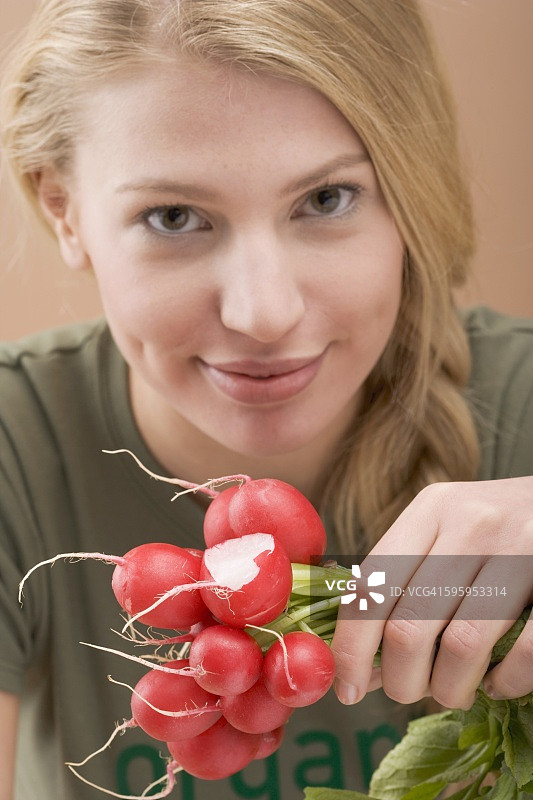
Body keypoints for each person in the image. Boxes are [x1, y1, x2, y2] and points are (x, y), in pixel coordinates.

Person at [0, 0, 532, 798]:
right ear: (62, 210)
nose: (263, 312)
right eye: (173, 216)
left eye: (325, 200)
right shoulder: (16, 441)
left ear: (407, 191)